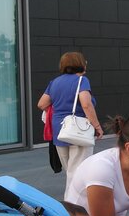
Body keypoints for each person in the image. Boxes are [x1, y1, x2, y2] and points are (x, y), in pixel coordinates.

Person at [37, 51, 103, 199]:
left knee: (71, 172)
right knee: (79, 173)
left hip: (59, 131)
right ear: (79, 63)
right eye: (84, 61)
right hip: (78, 131)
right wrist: (97, 126)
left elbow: (42, 104)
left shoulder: (54, 82)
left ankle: (71, 207)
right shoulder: (82, 81)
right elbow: (86, 104)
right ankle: (74, 209)